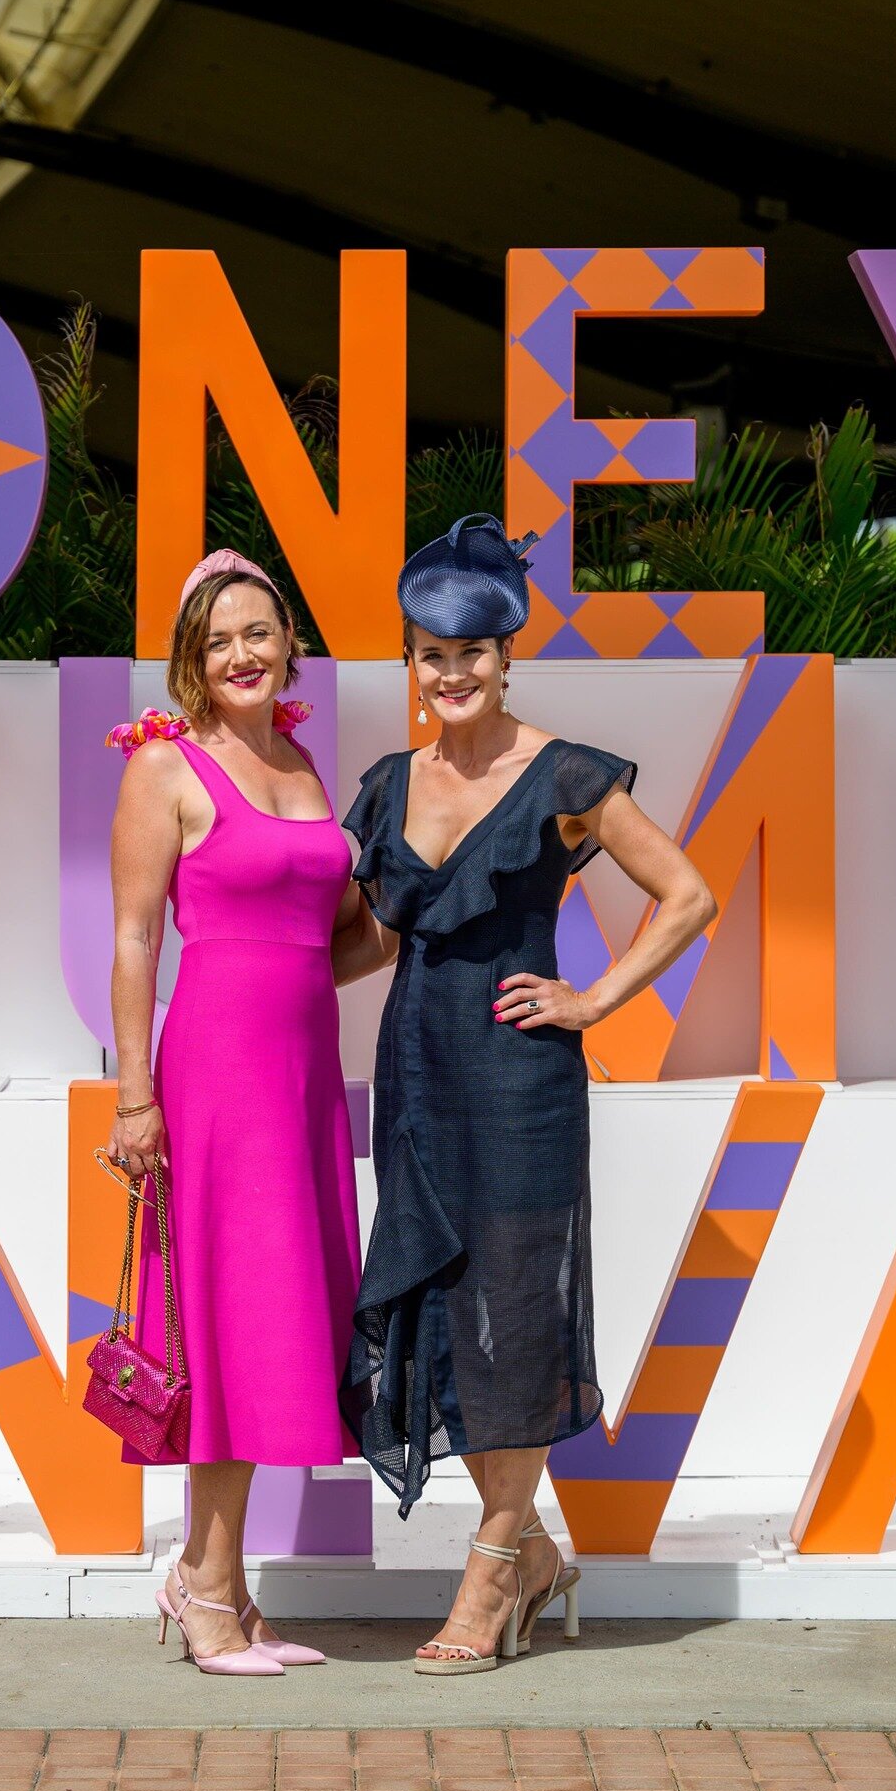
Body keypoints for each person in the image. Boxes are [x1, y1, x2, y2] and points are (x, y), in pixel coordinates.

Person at [334, 514, 716, 1675]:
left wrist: (593, 998)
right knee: (445, 1301)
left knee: (513, 1314)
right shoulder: (387, 783)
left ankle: (491, 1567)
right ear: (409, 662)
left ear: (507, 658)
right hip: (413, 1072)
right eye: (428, 654)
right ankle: (534, 1551)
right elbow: (362, 943)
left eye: (472, 654)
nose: (450, 674)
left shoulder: (563, 773)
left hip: (516, 1083)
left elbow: (688, 894)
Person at [108, 549, 364, 1677]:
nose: (241, 654)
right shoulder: (164, 767)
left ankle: (232, 1587)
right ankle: (200, 1584)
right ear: (192, 662)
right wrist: (133, 1095)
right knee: (222, 1319)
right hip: (214, 1076)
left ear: (287, 643)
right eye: (218, 641)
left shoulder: (305, 765)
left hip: (303, 1075)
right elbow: (132, 939)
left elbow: (343, 933)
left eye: (257, 632)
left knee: (271, 1327)